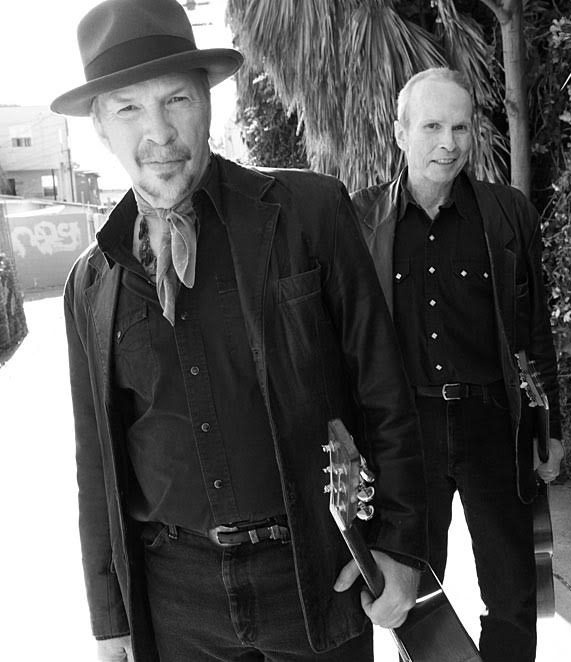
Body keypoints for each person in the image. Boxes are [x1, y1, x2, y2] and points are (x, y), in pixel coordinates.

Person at [52, 1, 426, 660]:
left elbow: (383, 388)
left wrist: (400, 544)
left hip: (312, 576)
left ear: (207, 101)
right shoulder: (90, 282)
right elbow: (97, 465)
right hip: (175, 599)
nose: (159, 132)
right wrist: (110, 622)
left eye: (176, 99)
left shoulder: (311, 213)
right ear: (101, 128)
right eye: (128, 109)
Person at [351, 68, 564, 662]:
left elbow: (534, 329)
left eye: (460, 128)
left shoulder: (507, 214)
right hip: (406, 432)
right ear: (401, 133)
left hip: (493, 421)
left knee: (513, 592)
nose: (448, 143)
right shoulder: (359, 219)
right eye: (432, 127)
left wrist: (551, 430)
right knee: (417, 595)